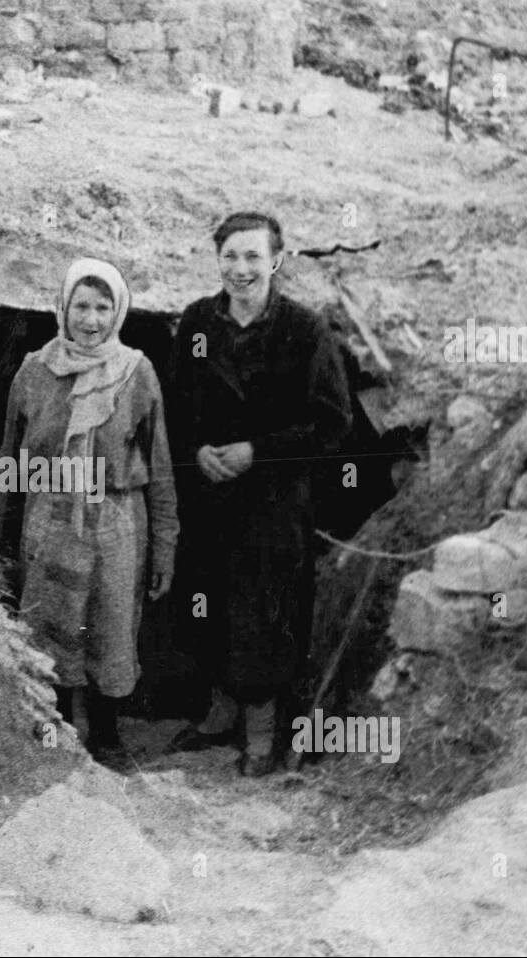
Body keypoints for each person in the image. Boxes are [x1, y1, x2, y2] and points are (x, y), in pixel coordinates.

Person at [165, 212, 352, 775]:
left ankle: (262, 733)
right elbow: (175, 401)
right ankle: (220, 713)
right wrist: (197, 450)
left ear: (276, 260)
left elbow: (333, 421)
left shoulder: (304, 329)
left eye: (253, 257)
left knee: (264, 611)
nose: (241, 269)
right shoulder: (199, 322)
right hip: (211, 492)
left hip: (274, 500)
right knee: (207, 599)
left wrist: (258, 452)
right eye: (230, 256)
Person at [0, 258, 178, 768]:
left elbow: (159, 466)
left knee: (111, 622)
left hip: (117, 518)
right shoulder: (34, 369)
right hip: (49, 514)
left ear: (118, 312)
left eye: (102, 307)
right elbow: (13, 456)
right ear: (62, 307)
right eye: (81, 306)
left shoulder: (137, 373)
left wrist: (165, 543)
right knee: (52, 623)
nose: (90, 320)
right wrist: (3, 533)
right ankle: (61, 735)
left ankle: (108, 735)